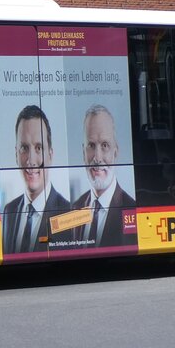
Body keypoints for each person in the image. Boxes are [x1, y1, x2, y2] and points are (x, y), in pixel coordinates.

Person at [1, 104, 69, 253]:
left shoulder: (68, 212)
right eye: (24, 148)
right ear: (16, 155)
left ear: (50, 155)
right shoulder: (8, 211)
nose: (31, 160)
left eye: (38, 148)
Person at [70, 104, 136, 246]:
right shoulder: (75, 208)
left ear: (115, 151)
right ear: (83, 153)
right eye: (91, 146)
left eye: (104, 145)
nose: (97, 157)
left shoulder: (132, 209)